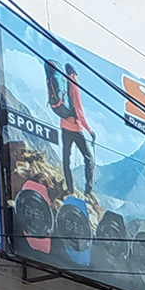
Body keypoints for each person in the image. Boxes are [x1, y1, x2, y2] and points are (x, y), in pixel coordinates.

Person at [46, 59, 95, 198]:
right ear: (75, 74)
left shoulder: (62, 81)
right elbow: (79, 111)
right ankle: (88, 190)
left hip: (64, 126)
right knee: (88, 158)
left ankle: (70, 188)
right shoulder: (74, 85)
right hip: (75, 128)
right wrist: (90, 131)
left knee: (66, 159)